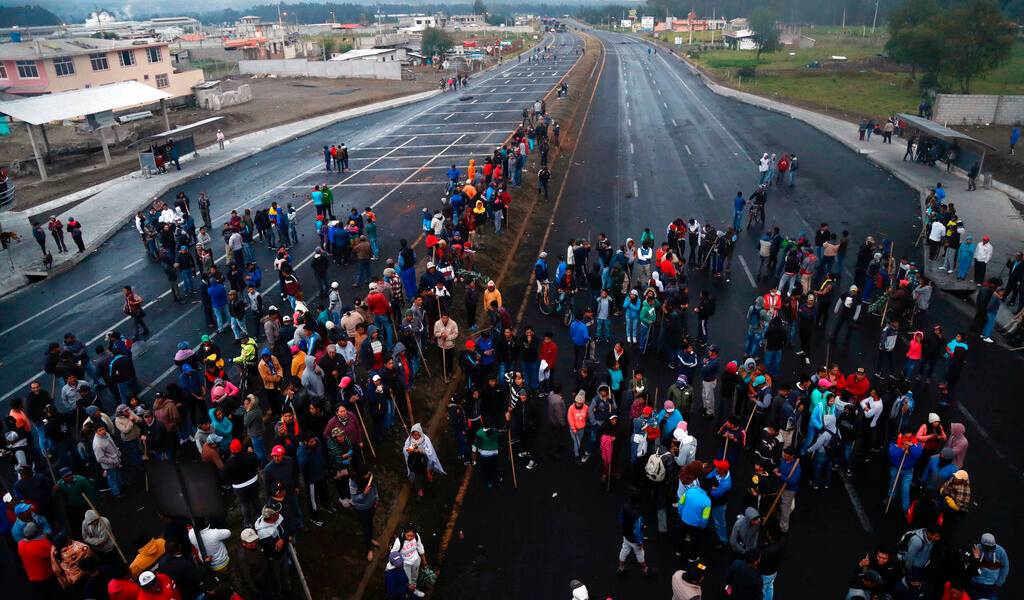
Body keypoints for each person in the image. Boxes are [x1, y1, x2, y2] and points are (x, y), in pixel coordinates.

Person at [404, 423, 445, 498]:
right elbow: (405, 449)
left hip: (424, 463)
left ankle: (429, 481)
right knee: (417, 477)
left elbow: (430, 452)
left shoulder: (425, 440)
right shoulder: (409, 440)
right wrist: (409, 450)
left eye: (417, 435)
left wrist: (421, 450)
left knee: (426, 473)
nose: (416, 437)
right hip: (415, 464)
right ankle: (420, 489)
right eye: (414, 435)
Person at [617, 491, 652, 576]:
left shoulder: (625, 506)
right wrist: (640, 543)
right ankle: (645, 569)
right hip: (634, 540)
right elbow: (637, 532)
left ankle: (621, 568)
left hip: (626, 535)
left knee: (624, 550)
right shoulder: (637, 516)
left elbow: (621, 519)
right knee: (640, 553)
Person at [388, 525, 428, 598]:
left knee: (414, 578)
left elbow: (420, 548)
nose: (409, 538)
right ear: (404, 533)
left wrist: (424, 561)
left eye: (412, 536)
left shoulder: (416, 537)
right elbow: (393, 555)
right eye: (408, 535)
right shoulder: (399, 541)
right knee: (407, 580)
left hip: (416, 561)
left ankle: (414, 590)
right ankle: (408, 592)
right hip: (405, 564)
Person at [971, 533, 1009, 598]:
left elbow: (1005, 568)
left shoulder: (1001, 551)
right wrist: (973, 579)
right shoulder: (977, 548)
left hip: (993, 584)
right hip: (978, 583)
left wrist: (999, 583)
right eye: (986, 547)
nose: (989, 549)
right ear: (982, 545)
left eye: (991, 547)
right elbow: (970, 564)